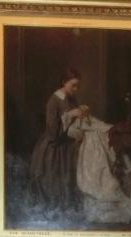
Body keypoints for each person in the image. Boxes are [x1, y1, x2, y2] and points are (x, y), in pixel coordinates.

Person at [28, 68, 87, 219]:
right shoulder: (53, 100)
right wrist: (71, 114)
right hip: (54, 147)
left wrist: (81, 112)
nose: (76, 89)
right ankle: (54, 207)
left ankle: (68, 205)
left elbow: (74, 124)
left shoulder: (72, 99)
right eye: (73, 85)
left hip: (68, 145)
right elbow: (52, 130)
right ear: (63, 82)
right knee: (54, 181)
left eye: (78, 86)